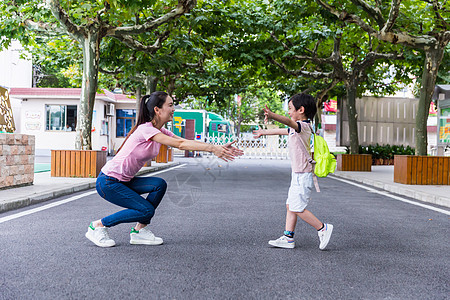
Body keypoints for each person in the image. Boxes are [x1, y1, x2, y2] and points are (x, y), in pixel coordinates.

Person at [86, 91, 243, 247]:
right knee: (146, 210)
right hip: (108, 182)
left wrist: (216, 147)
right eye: (170, 105)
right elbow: (180, 145)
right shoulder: (145, 129)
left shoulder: (159, 130)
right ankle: (99, 225)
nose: (173, 109)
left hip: (124, 181)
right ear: (157, 109)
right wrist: (212, 149)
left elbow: (182, 140)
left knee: (158, 185)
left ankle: (139, 231)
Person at [253, 93, 333, 250]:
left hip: (303, 176)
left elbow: (288, 122)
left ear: (301, 110)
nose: (288, 112)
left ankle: (323, 228)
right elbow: (283, 130)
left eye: (290, 108)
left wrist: (272, 115)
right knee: (291, 205)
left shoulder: (303, 127)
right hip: (297, 175)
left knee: (297, 207)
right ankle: (288, 237)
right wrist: (264, 132)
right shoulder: (295, 129)